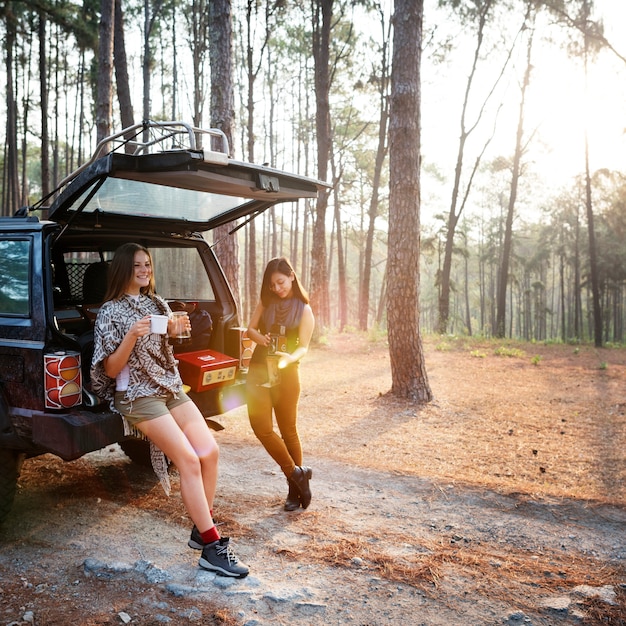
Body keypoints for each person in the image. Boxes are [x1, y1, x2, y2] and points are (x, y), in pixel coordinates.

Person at [90, 242, 248, 578]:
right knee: (188, 460)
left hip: (169, 387)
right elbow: (112, 370)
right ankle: (211, 546)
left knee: (210, 452)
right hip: (136, 394)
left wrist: (177, 329)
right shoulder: (109, 312)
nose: (145, 270)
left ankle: (199, 526)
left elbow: (167, 347)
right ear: (123, 269)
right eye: (137, 265)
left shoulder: (156, 303)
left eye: (147, 264)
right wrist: (133, 334)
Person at [245, 257, 315, 511]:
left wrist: (290, 357)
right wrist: (259, 337)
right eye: (272, 284)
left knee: (288, 431)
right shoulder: (266, 301)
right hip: (259, 370)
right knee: (261, 427)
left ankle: (294, 490)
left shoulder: (305, 310)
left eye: (280, 282)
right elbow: (249, 330)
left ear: (292, 276)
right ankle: (297, 474)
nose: (277, 288)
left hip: (286, 374)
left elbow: (305, 347)